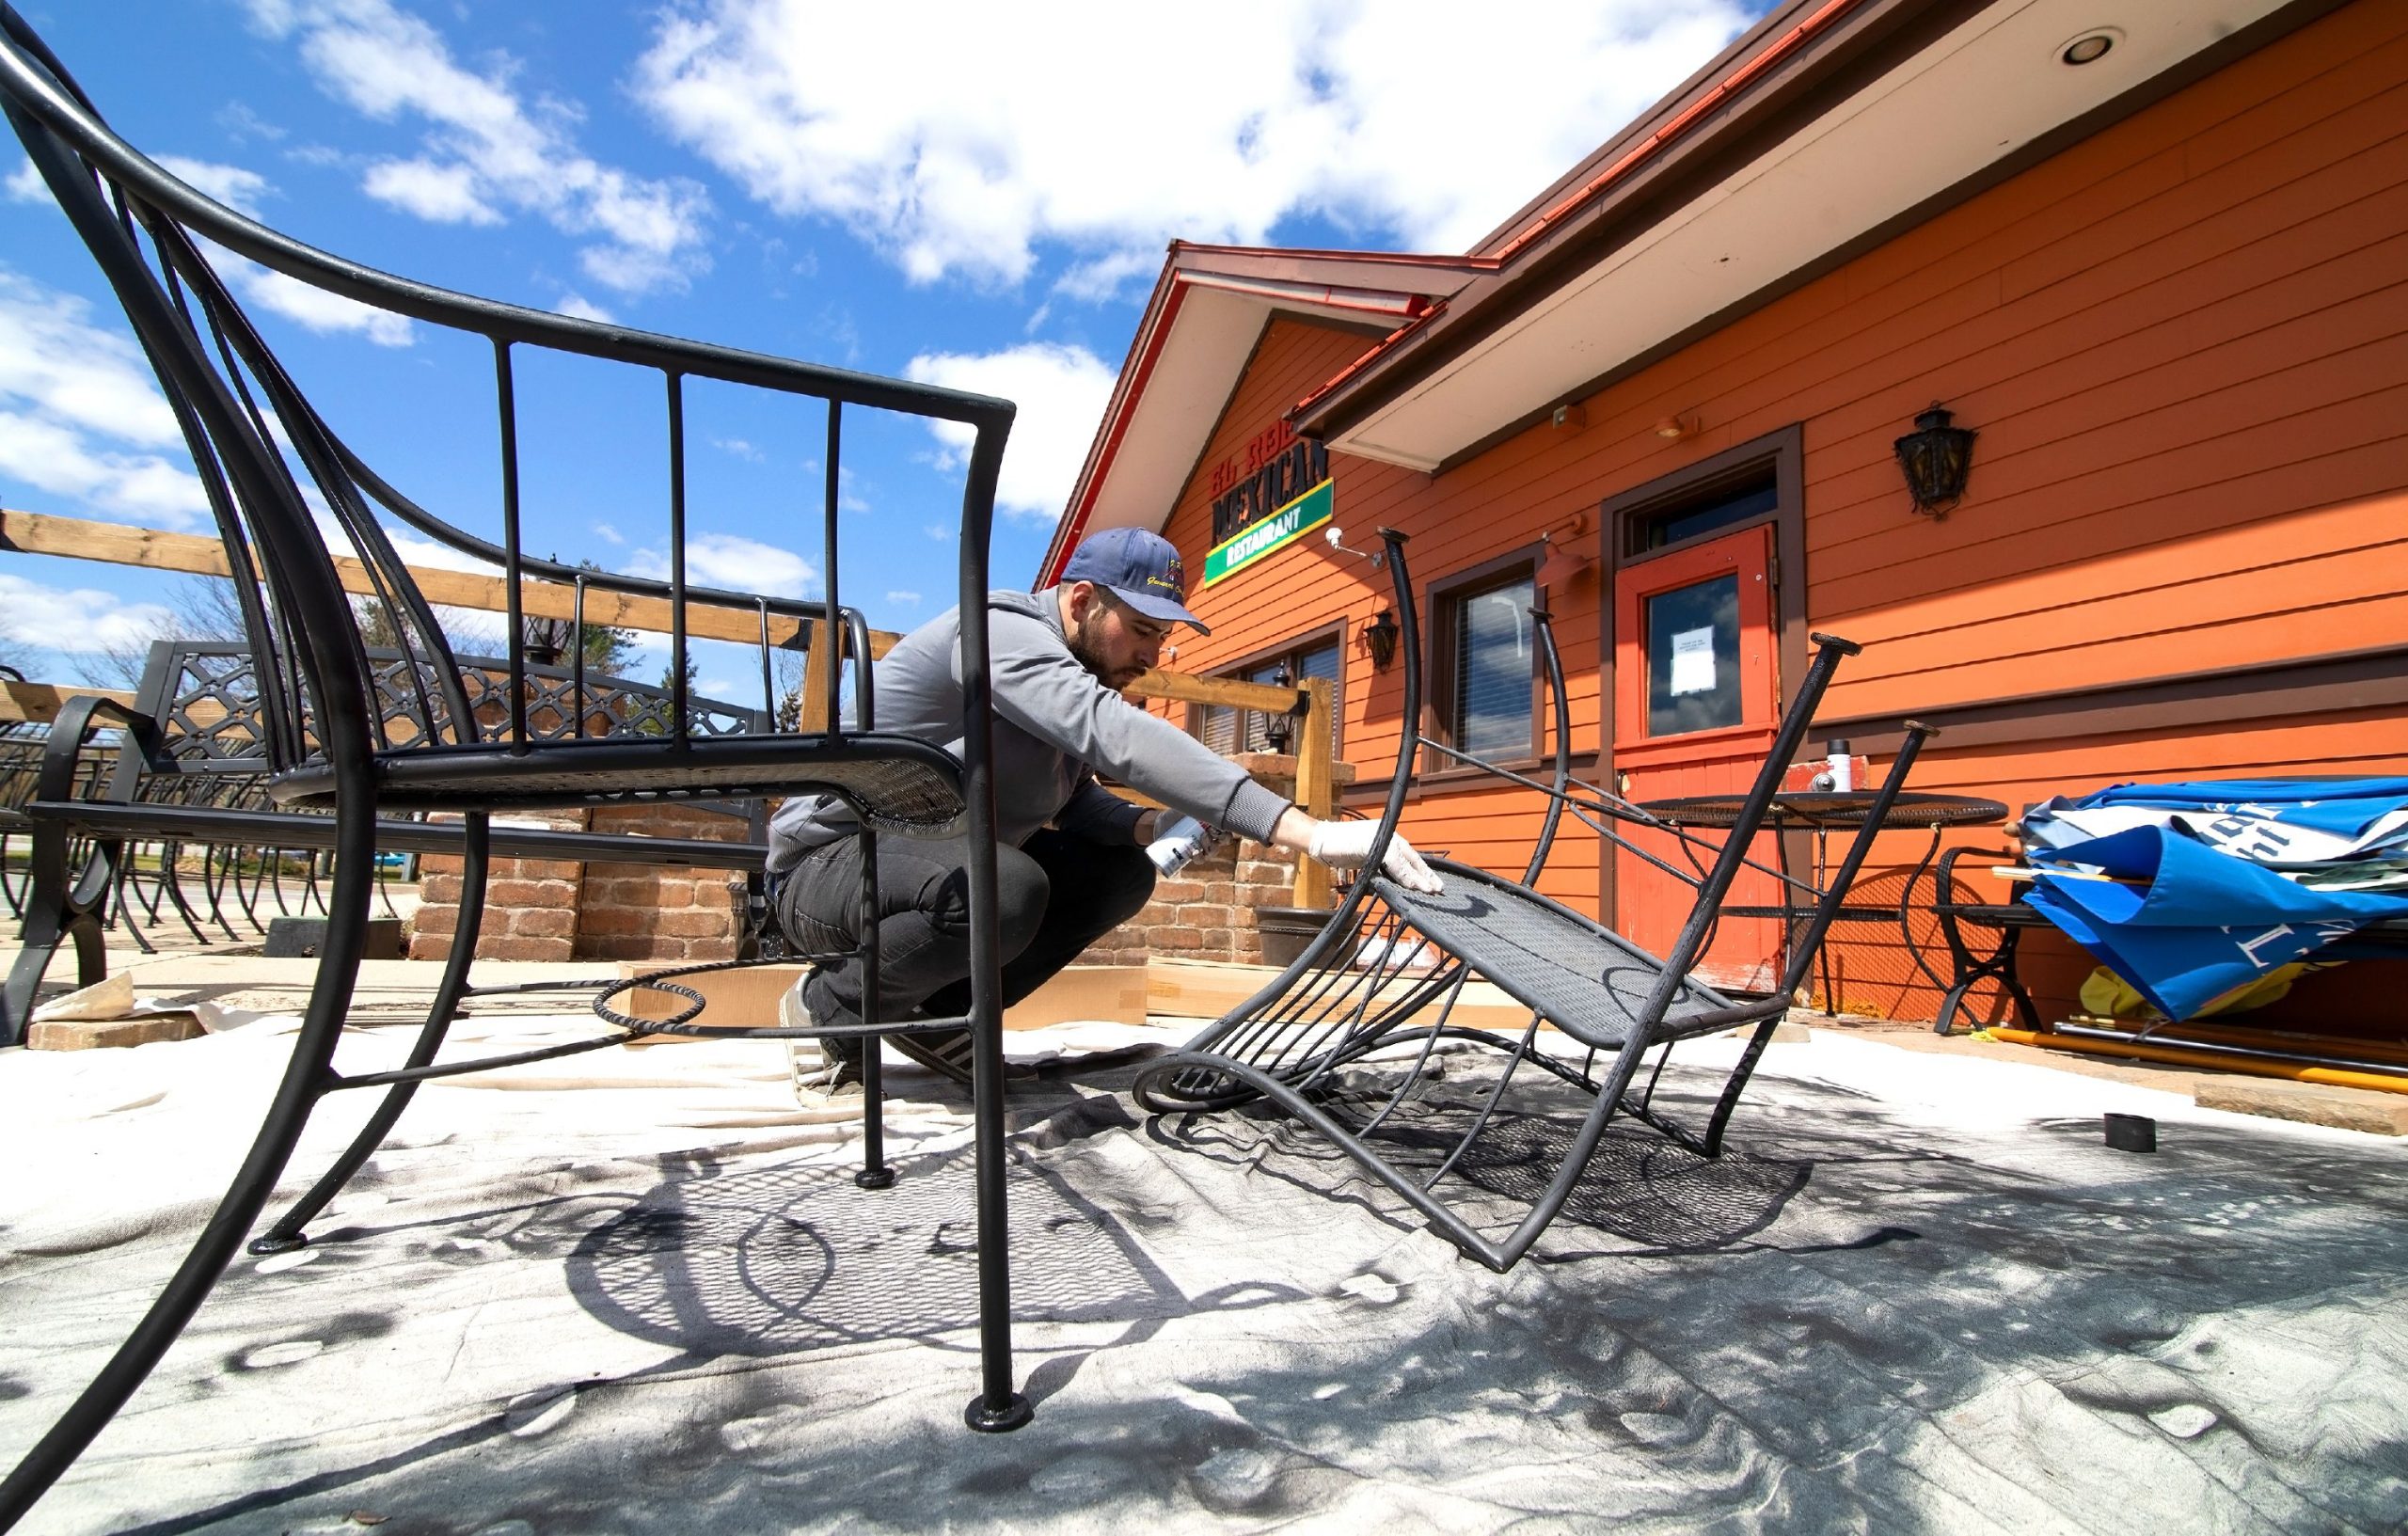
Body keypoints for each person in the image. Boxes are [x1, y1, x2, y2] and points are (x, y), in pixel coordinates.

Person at [768, 525, 1443, 1095]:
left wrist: (1149, 826)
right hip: (828, 867)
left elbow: (1075, 794)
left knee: (1121, 872)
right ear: (1083, 600)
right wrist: (1308, 832)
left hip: (932, 871)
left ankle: (941, 1016)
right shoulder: (997, 630)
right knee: (1007, 887)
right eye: (1143, 630)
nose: (1153, 655)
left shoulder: (1072, 671)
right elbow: (1108, 729)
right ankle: (828, 1004)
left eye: (1162, 635)